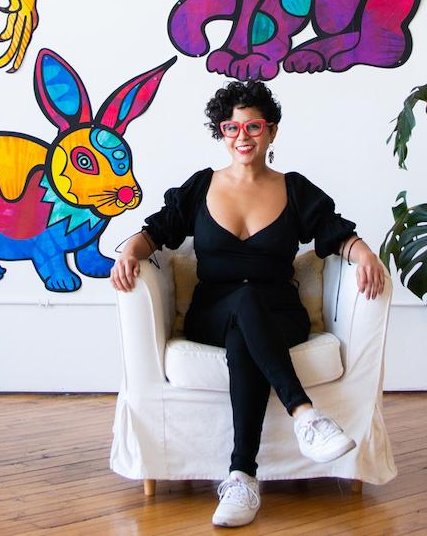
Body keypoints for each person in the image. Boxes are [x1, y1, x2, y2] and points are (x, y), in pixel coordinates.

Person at [110, 80, 386, 528]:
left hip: (280, 313)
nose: (242, 136)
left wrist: (365, 253)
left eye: (253, 126)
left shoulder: (294, 189)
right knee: (240, 300)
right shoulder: (201, 186)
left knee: (247, 327)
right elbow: (159, 230)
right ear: (221, 133)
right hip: (212, 312)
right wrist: (129, 252)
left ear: (271, 132)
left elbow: (334, 233)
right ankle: (306, 416)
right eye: (231, 127)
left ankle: (241, 478)